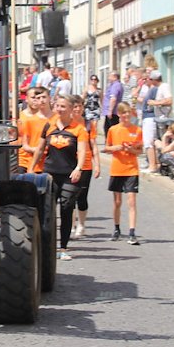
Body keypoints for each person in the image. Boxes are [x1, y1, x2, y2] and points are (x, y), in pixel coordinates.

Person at [30, 93, 87, 261]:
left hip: (70, 174)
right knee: (47, 211)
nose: (60, 109)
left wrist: (79, 168)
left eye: (64, 107)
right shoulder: (49, 126)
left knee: (66, 209)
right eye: (58, 106)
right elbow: (40, 149)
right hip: (50, 173)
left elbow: (82, 150)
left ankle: (63, 248)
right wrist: (32, 168)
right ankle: (46, 247)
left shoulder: (79, 129)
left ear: (70, 109)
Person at [104, 103, 144, 245]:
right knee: (117, 202)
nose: (126, 116)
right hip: (117, 168)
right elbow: (106, 148)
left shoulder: (137, 130)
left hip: (131, 169)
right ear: (119, 115)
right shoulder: (113, 130)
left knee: (131, 201)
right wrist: (116, 147)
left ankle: (132, 232)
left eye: (128, 113)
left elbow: (140, 151)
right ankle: (116, 229)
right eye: (123, 113)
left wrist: (131, 150)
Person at [70, 95, 99, 239]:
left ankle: (81, 224)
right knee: (69, 197)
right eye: (74, 106)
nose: (77, 109)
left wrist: (97, 164)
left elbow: (93, 145)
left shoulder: (88, 124)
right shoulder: (67, 123)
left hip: (86, 164)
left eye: (80, 106)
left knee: (82, 196)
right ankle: (71, 224)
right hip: (69, 163)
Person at [139, 69, 172, 174]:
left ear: (154, 80)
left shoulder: (162, 87)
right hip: (158, 119)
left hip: (160, 119)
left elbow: (169, 100)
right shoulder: (156, 88)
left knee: (152, 142)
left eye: (148, 79)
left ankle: (154, 166)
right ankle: (157, 165)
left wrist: (155, 103)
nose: (146, 81)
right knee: (155, 142)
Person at [16, 87, 50, 174]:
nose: (36, 101)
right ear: (26, 99)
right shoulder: (20, 117)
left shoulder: (48, 118)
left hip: (43, 161)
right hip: (23, 159)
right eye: (33, 98)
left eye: (38, 98)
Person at [101, 71, 123, 135]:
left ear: (115, 77)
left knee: (111, 129)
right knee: (107, 128)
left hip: (113, 112)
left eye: (110, 76)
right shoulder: (112, 85)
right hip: (110, 112)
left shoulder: (116, 85)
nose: (108, 78)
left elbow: (113, 98)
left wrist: (110, 111)